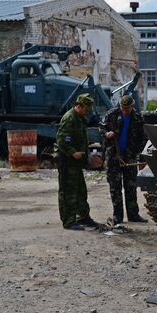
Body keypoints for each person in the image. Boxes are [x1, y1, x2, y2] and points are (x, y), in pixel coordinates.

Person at [101, 95, 148, 224]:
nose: (125, 111)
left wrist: (140, 156)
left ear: (132, 107)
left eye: (127, 108)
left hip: (130, 156)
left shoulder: (138, 118)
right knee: (115, 187)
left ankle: (133, 214)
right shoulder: (112, 114)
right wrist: (106, 134)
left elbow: (143, 138)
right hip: (113, 156)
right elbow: (102, 127)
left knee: (131, 186)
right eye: (123, 108)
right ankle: (118, 216)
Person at [56, 93, 98, 230]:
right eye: (86, 109)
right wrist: (73, 152)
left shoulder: (79, 118)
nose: (87, 112)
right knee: (68, 192)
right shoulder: (69, 118)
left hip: (76, 164)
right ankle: (69, 221)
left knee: (80, 191)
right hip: (68, 162)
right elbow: (62, 140)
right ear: (78, 106)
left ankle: (83, 217)